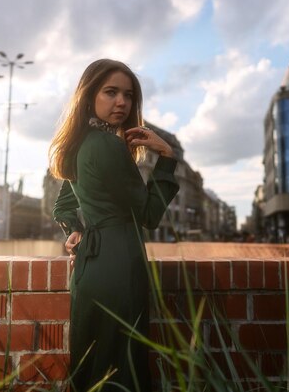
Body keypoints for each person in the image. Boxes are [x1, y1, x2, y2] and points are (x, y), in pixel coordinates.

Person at [49, 59, 179, 391]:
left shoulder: (78, 144)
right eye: (111, 92)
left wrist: (76, 231)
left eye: (129, 95)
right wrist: (166, 156)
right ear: (89, 95)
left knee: (93, 363)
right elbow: (148, 215)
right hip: (120, 266)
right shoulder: (107, 144)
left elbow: (64, 205)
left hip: (89, 270)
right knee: (123, 367)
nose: (122, 102)